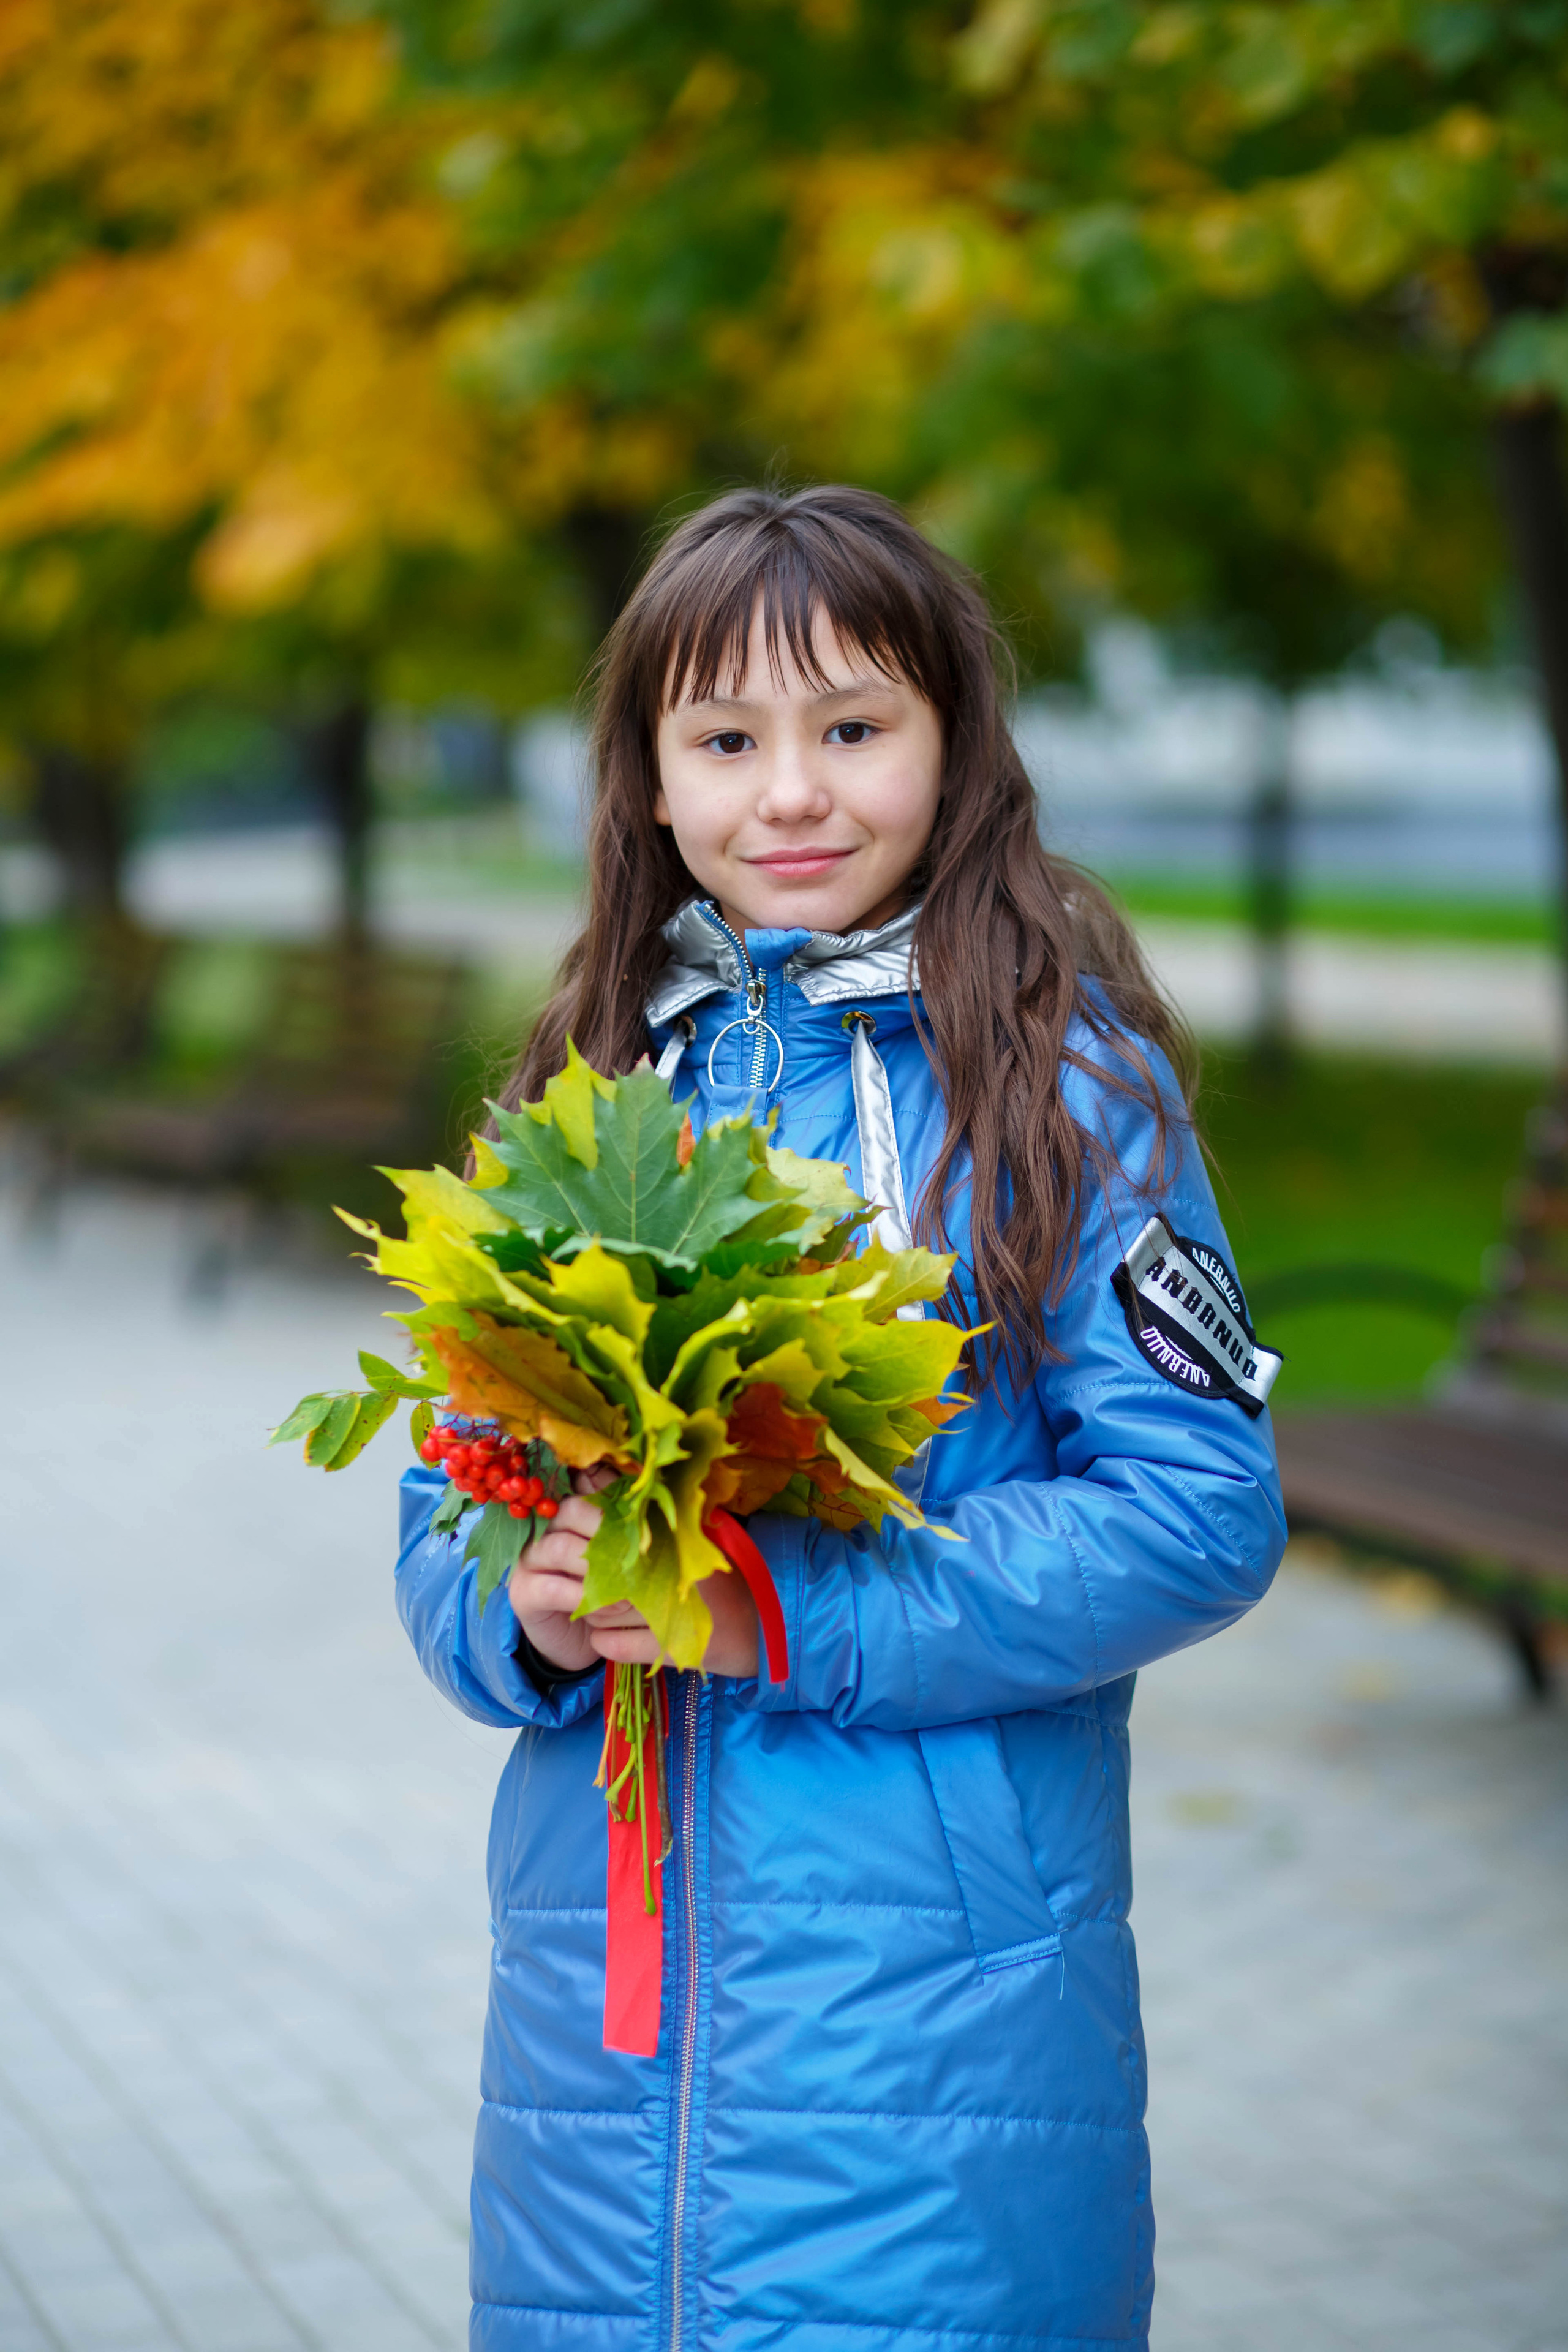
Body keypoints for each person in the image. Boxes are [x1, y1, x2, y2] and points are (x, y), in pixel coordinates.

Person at [396, 483, 1287, 2351]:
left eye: (853, 728)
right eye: (726, 739)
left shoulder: (1063, 1087)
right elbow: (444, 1498)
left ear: (952, 744)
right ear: (648, 777)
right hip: (600, 2012)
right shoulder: (587, 1082)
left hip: (935, 2005)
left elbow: (1197, 1509)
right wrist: (525, 1607)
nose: (790, 794)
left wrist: (787, 1612)